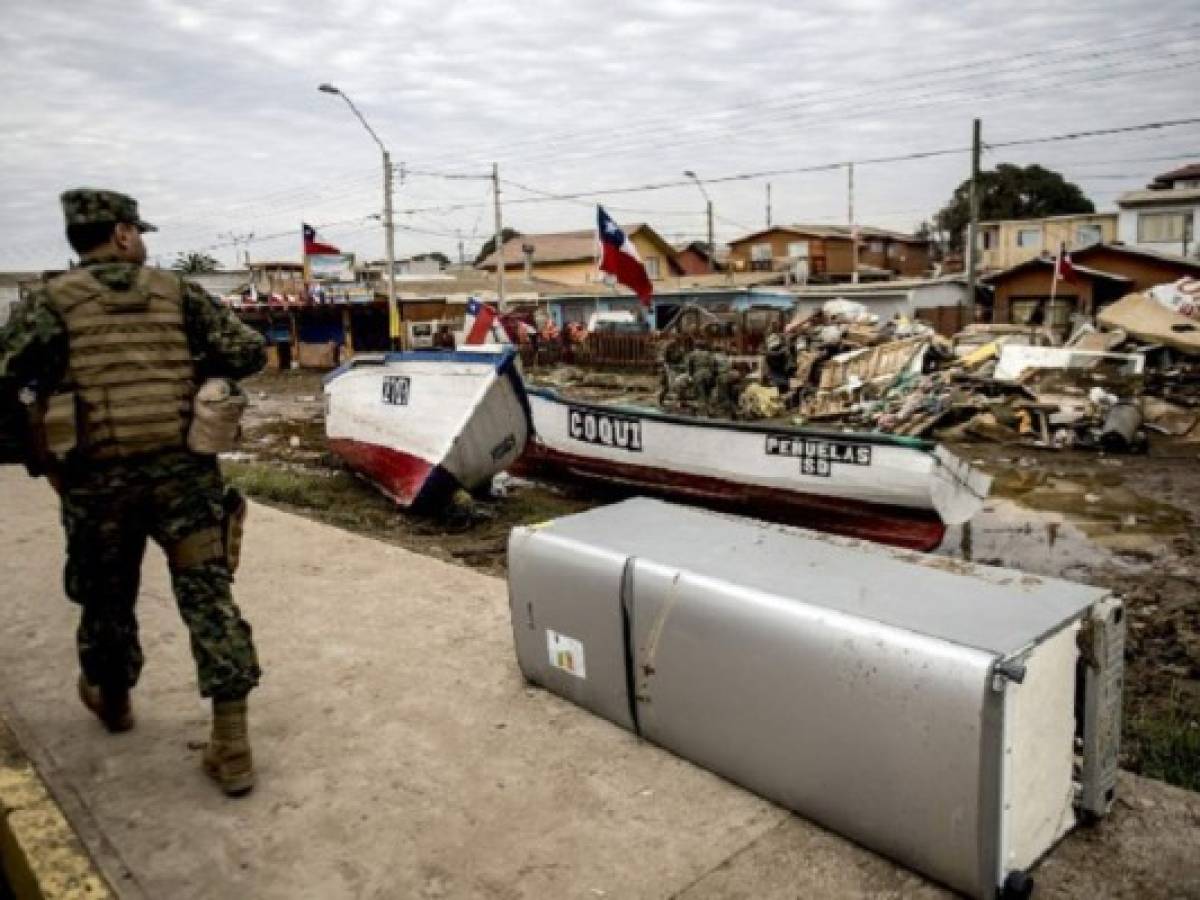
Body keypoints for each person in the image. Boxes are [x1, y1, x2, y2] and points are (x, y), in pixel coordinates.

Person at [0, 189, 266, 796]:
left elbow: (5, 380)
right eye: (137, 231)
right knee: (209, 599)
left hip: (97, 485)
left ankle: (114, 701)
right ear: (121, 235)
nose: (142, 240)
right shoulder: (178, 294)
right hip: (185, 481)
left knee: (106, 598)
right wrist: (189, 361)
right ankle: (232, 745)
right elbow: (246, 352)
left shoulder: (48, 304)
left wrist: (39, 460)